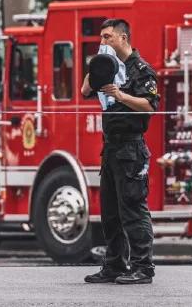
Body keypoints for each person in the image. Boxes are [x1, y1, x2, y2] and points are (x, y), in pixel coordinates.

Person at [81, 19, 159, 285]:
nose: (103, 42)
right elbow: (84, 90)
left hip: (131, 147)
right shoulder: (106, 67)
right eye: (101, 38)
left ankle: (143, 267)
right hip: (110, 148)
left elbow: (149, 106)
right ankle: (114, 265)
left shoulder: (140, 69)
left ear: (123, 38)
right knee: (110, 211)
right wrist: (97, 68)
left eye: (108, 37)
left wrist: (121, 96)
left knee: (133, 208)